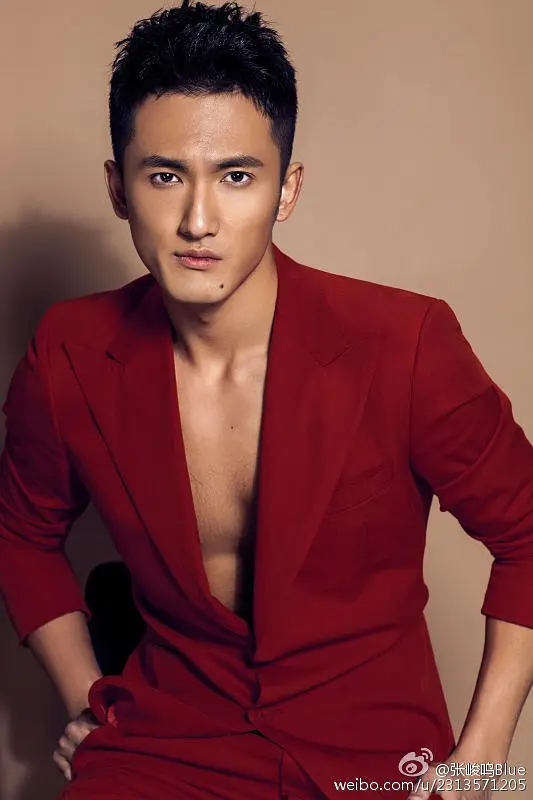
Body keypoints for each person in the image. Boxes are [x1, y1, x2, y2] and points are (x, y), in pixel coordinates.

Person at [1, 2, 533, 798]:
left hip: (371, 752)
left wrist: (482, 753)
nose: (198, 220)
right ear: (118, 189)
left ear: (286, 191)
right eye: (164, 175)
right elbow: (21, 534)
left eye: (236, 176)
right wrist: (89, 698)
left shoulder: (404, 343)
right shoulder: (70, 353)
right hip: (169, 742)